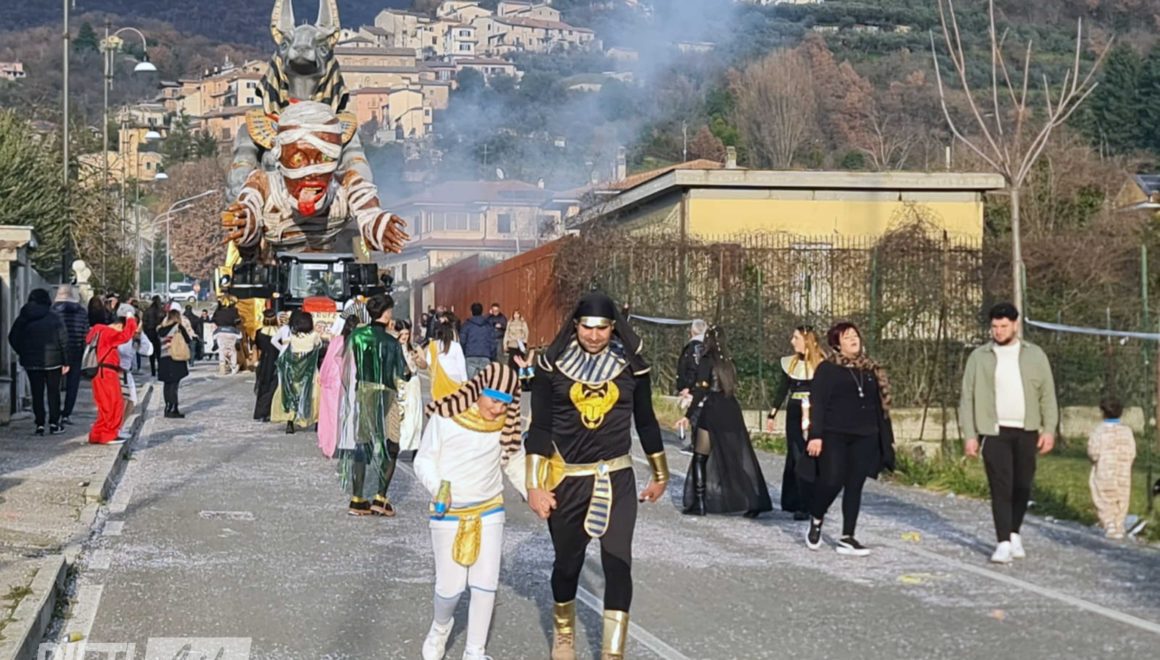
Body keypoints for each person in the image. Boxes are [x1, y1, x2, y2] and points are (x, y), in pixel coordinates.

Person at [525, 292, 669, 660]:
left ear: (613, 327)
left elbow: (646, 421)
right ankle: (564, 635)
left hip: (617, 477)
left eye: (602, 328)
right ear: (575, 325)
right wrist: (534, 485)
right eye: (587, 327)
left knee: (618, 563)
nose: (593, 335)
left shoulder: (632, 367)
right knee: (567, 564)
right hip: (567, 480)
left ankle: (612, 652)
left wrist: (660, 473)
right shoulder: (551, 367)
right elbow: (539, 427)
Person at [415, 363, 525, 660]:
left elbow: (514, 461)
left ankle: (475, 651)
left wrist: (535, 493)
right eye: (493, 400)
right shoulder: (446, 417)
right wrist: (439, 487)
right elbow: (423, 460)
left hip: (489, 509)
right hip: (448, 511)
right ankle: (440, 627)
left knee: (485, 584)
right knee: (450, 588)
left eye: (505, 403)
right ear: (479, 390)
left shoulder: (506, 426)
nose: (498, 409)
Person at [960, 302, 1058, 564]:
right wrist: (970, 435)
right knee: (1000, 485)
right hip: (994, 431)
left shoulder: (1035, 355)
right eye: (994, 326)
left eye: (1003, 326)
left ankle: (1014, 532)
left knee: (1022, 484)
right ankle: (1002, 541)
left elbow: (1047, 395)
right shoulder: (979, 357)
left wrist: (1049, 429)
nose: (999, 331)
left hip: (1027, 429)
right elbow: (967, 398)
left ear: (1015, 325)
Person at [802, 322, 894, 557]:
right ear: (837, 344)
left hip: (866, 434)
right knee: (832, 480)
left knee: (855, 484)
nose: (854, 340)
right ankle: (817, 516)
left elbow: (880, 407)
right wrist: (815, 435)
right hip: (834, 433)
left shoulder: (871, 369)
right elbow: (818, 403)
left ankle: (847, 536)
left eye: (855, 335)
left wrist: (885, 438)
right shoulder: (827, 369)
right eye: (847, 337)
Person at [677, 327, 773, 518]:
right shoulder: (728, 362)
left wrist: (688, 415)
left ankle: (700, 502)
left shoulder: (707, 360)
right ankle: (754, 499)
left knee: (700, 457)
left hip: (713, 409)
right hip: (731, 409)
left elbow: (701, 390)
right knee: (733, 458)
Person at [336, 294, 410, 516]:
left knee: (363, 441)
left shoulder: (357, 336)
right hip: (387, 395)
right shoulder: (391, 341)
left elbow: (345, 362)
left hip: (364, 393)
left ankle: (357, 498)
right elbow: (404, 373)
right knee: (392, 443)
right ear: (386, 314)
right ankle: (380, 497)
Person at [767, 326, 825, 520]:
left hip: (814, 413)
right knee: (796, 454)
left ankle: (810, 502)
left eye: (796, 338)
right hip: (794, 413)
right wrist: (772, 414)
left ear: (807, 340)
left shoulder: (822, 364)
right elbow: (782, 390)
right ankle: (796, 501)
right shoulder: (790, 363)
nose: (792, 341)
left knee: (810, 457)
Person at [8, 289, 69, 435]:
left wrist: (23, 352)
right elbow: (64, 340)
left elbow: (12, 337)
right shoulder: (54, 317)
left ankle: (40, 424)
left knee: (37, 393)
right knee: (53, 392)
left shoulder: (24, 317)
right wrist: (66, 361)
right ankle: (54, 423)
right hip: (54, 361)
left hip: (32, 362)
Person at [86, 305, 139, 444]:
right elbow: (126, 335)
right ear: (120, 324)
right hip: (107, 372)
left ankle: (97, 434)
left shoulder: (97, 331)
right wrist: (131, 319)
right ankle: (108, 434)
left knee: (103, 405)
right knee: (114, 403)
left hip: (98, 372)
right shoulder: (108, 333)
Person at [1087, 397, 1136, 539]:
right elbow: (1132, 452)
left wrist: (1094, 459)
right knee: (1122, 497)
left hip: (1105, 470)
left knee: (1103, 496)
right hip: (1123, 471)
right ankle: (1119, 524)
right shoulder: (1127, 431)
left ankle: (1109, 523)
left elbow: (1093, 452)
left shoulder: (1099, 431)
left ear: (1103, 413)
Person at [272, 309, 322, 433]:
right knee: (314, 396)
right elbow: (319, 346)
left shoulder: (292, 337)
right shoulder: (314, 336)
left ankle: (290, 421)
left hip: (294, 371)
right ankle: (316, 421)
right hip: (310, 371)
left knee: (293, 395)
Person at [318, 315, 357, 458]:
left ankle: (330, 444)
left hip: (333, 382)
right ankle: (347, 443)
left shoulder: (336, 341)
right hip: (350, 380)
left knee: (331, 414)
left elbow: (328, 361)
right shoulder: (358, 341)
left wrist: (322, 376)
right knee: (349, 413)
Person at [52, 285, 89, 426]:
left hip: (57, 351)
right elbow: (86, 333)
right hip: (76, 351)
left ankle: (55, 413)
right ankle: (66, 414)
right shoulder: (81, 312)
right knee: (72, 385)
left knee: (54, 384)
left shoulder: (53, 311)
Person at [116, 312, 152, 438]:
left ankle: (119, 427)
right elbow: (123, 350)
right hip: (117, 371)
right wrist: (130, 335)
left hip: (127, 372)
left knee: (132, 401)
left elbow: (148, 350)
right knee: (121, 402)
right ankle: (116, 428)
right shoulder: (120, 333)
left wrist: (140, 334)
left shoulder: (135, 335)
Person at [395, 319, 428, 459]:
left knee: (413, 414)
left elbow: (424, 365)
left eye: (407, 334)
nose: (404, 337)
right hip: (399, 383)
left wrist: (417, 359)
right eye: (402, 334)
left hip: (413, 384)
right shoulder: (393, 346)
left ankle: (413, 444)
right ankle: (399, 443)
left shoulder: (414, 348)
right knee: (400, 414)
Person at [674, 319, 707, 454]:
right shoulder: (708, 346)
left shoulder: (694, 347)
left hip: (696, 387)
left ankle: (696, 444)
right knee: (698, 413)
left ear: (693, 331)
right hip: (704, 386)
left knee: (695, 414)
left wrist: (687, 385)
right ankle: (698, 443)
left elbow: (692, 368)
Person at [157, 309, 193, 419]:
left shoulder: (160, 329)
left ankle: (167, 407)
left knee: (167, 384)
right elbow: (188, 340)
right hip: (175, 357)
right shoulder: (178, 327)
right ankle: (173, 408)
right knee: (174, 384)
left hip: (163, 357)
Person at [252, 310, 280, 422]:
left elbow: (257, 348)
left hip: (264, 362)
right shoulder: (280, 332)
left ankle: (261, 412)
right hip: (277, 361)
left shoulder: (259, 332)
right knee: (274, 387)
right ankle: (272, 411)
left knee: (263, 386)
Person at [428, 322, 468, 399]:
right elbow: (461, 365)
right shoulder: (456, 346)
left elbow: (429, 363)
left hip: (439, 381)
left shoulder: (433, 345)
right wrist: (464, 381)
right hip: (455, 379)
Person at [460, 302, 495, 379]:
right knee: (484, 381)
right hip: (485, 355)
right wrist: (492, 355)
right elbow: (493, 342)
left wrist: (464, 353)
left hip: (471, 355)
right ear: (482, 311)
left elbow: (462, 341)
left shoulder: (467, 325)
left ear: (471, 312)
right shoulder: (488, 325)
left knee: (471, 382)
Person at [212, 298, 244, 375]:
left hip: (220, 331)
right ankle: (233, 366)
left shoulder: (218, 311)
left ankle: (222, 367)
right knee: (233, 351)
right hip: (232, 331)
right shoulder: (234, 311)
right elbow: (238, 321)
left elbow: (213, 320)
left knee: (222, 350)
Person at [142, 296, 165, 377]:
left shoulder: (147, 311)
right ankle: (160, 369)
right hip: (159, 332)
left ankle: (153, 371)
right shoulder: (161, 311)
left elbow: (144, 322)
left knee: (151, 352)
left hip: (150, 332)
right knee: (159, 352)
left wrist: (146, 332)